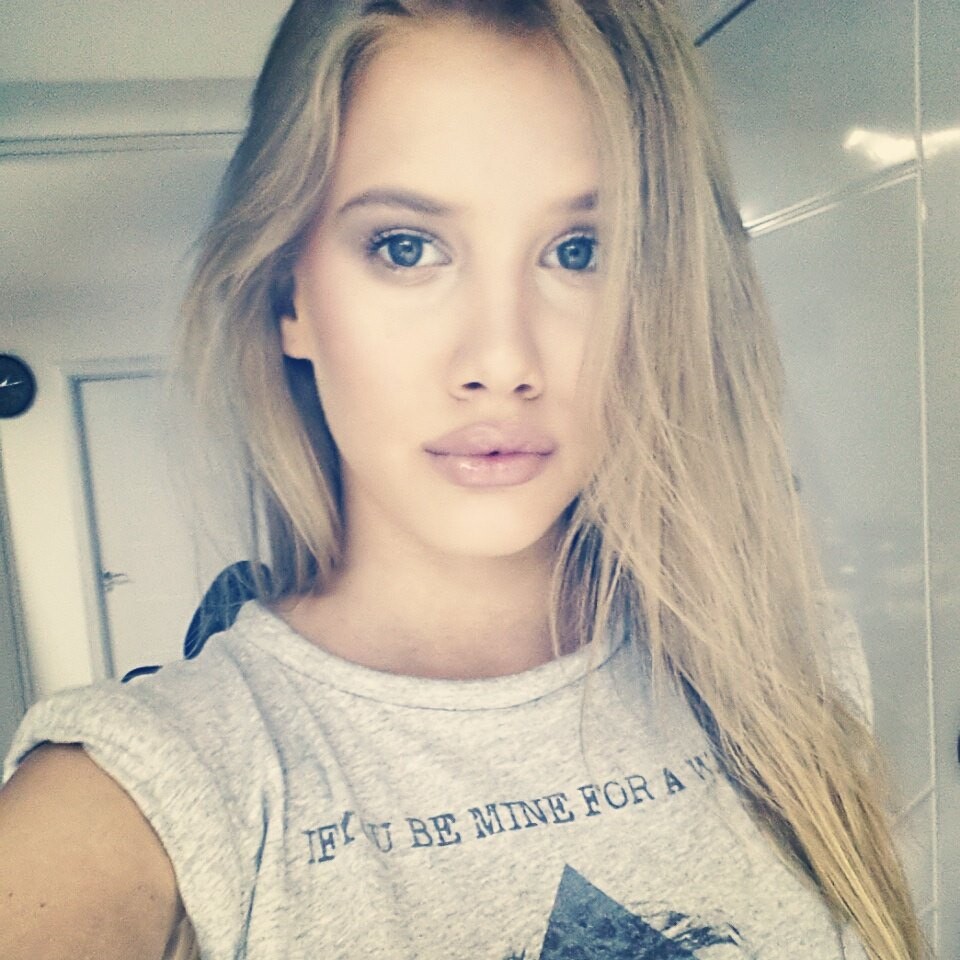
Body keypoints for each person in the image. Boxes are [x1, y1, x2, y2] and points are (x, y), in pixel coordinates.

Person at [0, 1, 925, 958]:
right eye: (407, 247)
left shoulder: (785, 677)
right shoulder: (145, 793)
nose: (502, 360)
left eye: (580, 251)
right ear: (290, 296)